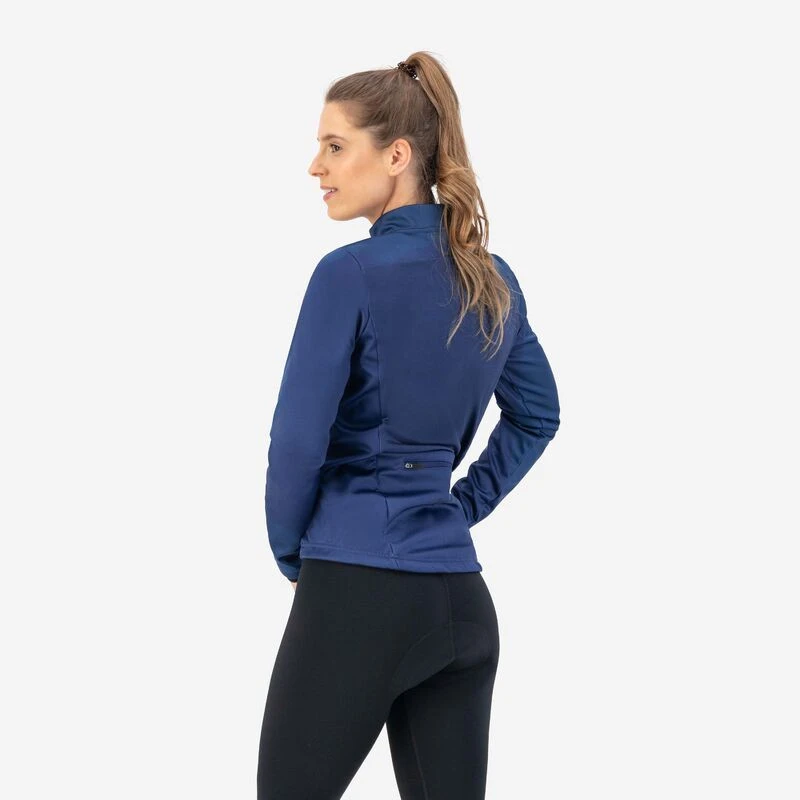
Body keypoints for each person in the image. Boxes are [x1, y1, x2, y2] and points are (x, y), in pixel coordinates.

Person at [257, 51, 561, 800]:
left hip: (357, 590)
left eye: (335, 146)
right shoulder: (492, 280)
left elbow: (297, 441)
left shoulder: (348, 275)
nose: (316, 166)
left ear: (396, 156)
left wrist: (295, 551)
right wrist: (457, 508)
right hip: (461, 602)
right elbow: (538, 414)